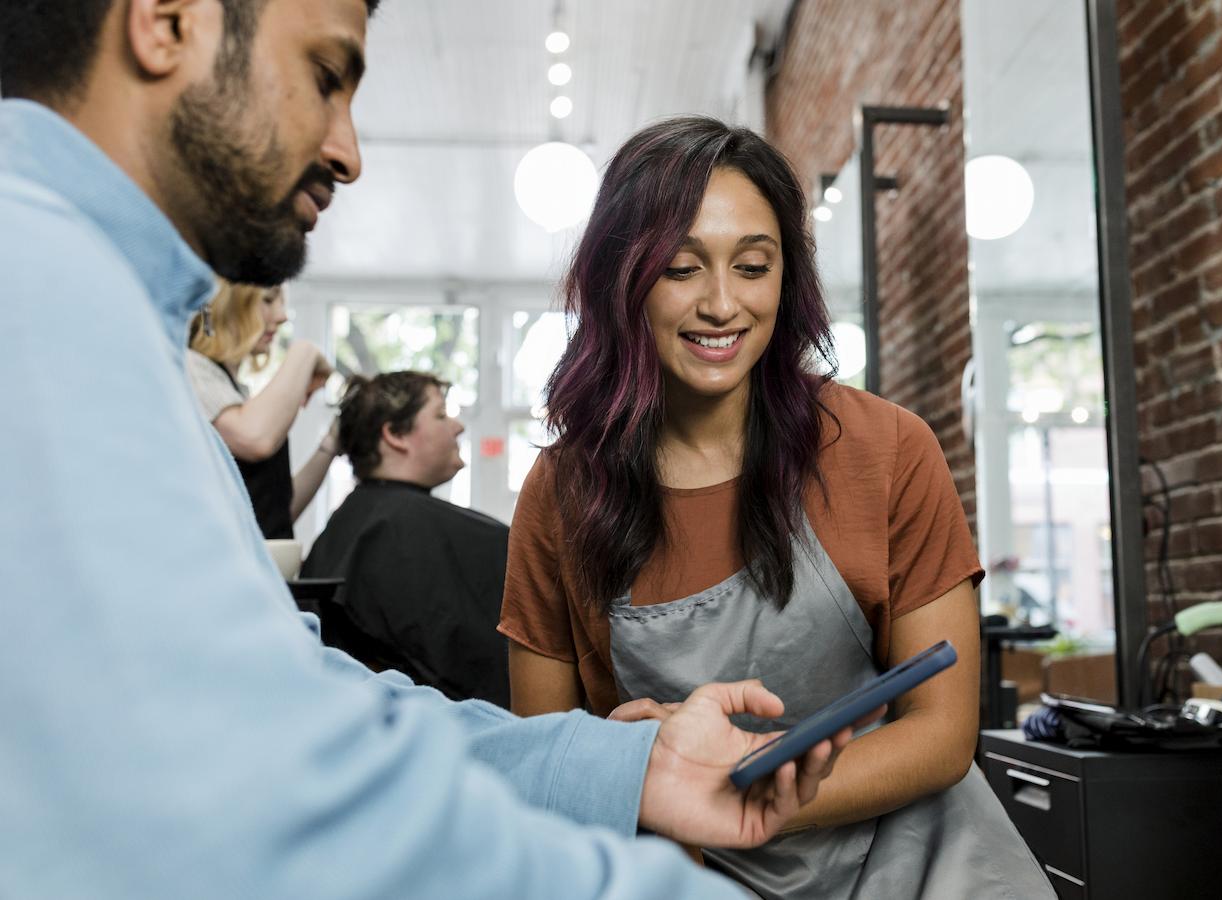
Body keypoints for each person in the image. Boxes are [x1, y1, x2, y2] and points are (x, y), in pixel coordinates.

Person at [0, 3, 873, 898]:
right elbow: (251, 805)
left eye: (752, 266)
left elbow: (296, 702)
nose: (348, 152)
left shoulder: (105, 318)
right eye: (325, 76)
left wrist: (626, 769)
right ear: (169, 20)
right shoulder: (39, 301)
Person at [499, 117, 1054, 898]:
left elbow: (941, 732)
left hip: (921, 866)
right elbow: (545, 762)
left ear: (786, 277)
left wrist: (742, 794)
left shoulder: (885, 449)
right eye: (681, 270)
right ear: (621, 281)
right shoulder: (562, 495)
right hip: (690, 877)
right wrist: (618, 773)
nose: (723, 304)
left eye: (753, 266)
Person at [301, 371, 511, 706]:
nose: (458, 426)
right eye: (441, 415)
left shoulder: (357, 523)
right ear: (396, 434)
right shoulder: (395, 528)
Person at [187, 280, 336, 539]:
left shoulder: (234, 394)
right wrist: (305, 351)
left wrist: (331, 444)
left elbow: (273, 515)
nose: (281, 316)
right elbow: (254, 439)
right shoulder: (190, 368)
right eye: (268, 300)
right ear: (224, 304)